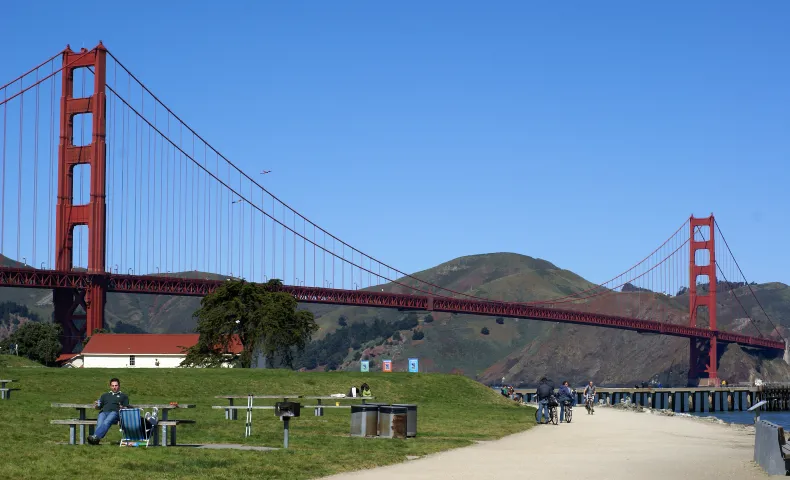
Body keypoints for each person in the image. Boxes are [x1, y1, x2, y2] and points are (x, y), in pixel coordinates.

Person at [88, 378, 129, 445]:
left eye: (116, 385)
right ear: (110, 386)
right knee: (100, 422)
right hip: (104, 412)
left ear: (119, 386)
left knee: (107, 421)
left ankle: (95, 437)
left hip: (115, 413)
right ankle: (95, 440)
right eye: (113, 386)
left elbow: (126, 407)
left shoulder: (123, 396)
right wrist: (96, 405)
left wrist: (122, 407)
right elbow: (98, 407)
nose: (114, 387)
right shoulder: (105, 395)